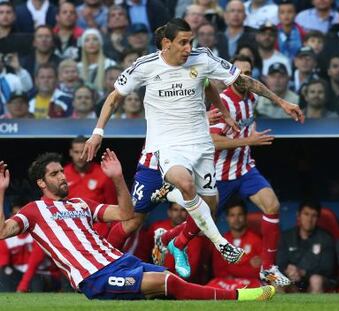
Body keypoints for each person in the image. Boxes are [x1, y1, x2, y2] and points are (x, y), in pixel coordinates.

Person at [82, 18, 303, 283]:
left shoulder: (202, 59)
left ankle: (174, 240)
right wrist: (98, 133)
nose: (189, 48)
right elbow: (114, 97)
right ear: (167, 43)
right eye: (183, 42)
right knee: (133, 219)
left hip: (199, 148)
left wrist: (280, 102)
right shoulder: (146, 66)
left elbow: (224, 84)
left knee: (206, 209)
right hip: (161, 150)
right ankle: (96, 265)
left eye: (191, 42)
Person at [0, 153, 276, 301]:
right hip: (94, 277)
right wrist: (1, 190)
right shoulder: (33, 211)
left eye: (61, 171)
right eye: (54, 174)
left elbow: (125, 213)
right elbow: (2, 232)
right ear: (41, 183)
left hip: (119, 261)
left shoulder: (80, 204)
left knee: (172, 283)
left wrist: (118, 178)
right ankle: (241, 298)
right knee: (168, 282)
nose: (62, 176)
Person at [209, 54, 291, 286]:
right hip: (219, 174)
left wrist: (283, 103)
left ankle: (268, 269)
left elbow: (262, 90)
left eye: (248, 73)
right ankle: (168, 240)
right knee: (199, 224)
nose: (243, 78)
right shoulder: (223, 102)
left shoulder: (251, 97)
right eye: (239, 73)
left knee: (272, 205)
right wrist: (249, 141)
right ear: (229, 76)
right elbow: (212, 140)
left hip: (244, 169)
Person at [277, 201, 336, 293]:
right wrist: (288, 270)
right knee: (277, 281)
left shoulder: (326, 238)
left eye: (314, 215)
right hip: (293, 281)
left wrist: (302, 272)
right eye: (306, 214)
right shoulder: (286, 236)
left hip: (316, 282)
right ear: (298, 215)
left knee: (316, 280)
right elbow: (280, 263)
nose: (309, 219)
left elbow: (328, 269)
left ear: (318, 218)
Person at [207, 199, 262, 290]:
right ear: (227, 218)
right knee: (211, 286)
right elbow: (218, 271)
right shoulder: (221, 241)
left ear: (245, 216)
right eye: (232, 215)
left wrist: (231, 267)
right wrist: (247, 264)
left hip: (251, 282)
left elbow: (259, 271)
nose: (236, 219)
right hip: (227, 282)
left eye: (240, 215)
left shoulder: (256, 240)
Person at [64, 136, 117, 204]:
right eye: (76, 152)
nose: (80, 157)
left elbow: (112, 204)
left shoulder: (104, 173)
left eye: (84, 152)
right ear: (70, 152)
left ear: (90, 151)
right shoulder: (63, 174)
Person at [77, 29, 117, 95]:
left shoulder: (110, 64)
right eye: (87, 40)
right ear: (83, 45)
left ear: (100, 43)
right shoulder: (78, 67)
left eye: (95, 39)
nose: (91, 43)